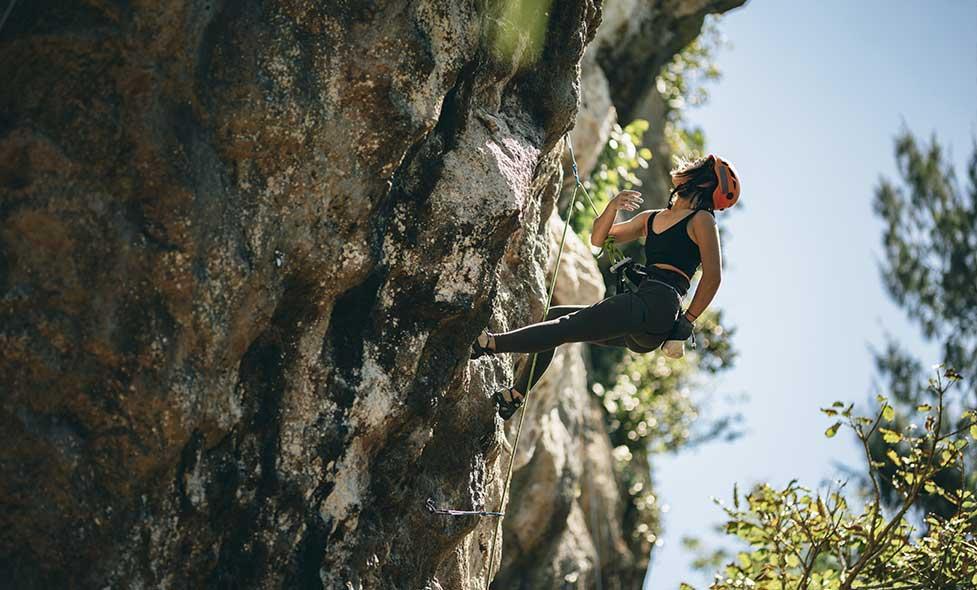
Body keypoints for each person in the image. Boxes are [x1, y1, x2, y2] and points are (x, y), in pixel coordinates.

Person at [470, 154, 742, 420]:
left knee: (566, 325)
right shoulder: (651, 218)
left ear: (704, 183)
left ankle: (487, 344)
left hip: (660, 304)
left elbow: (713, 277)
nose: (688, 165)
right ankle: (514, 397)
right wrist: (612, 206)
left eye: (698, 167)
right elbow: (599, 238)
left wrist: (687, 322)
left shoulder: (702, 220)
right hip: (646, 319)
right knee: (555, 317)